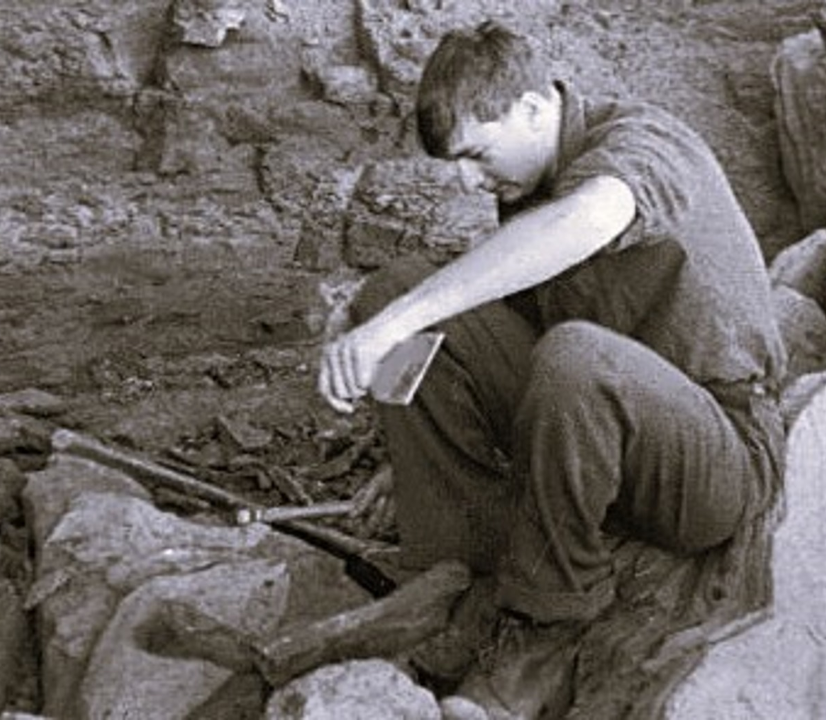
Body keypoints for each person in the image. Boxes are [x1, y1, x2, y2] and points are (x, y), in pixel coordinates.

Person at [319, 20, 787, 718]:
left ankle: (547, 630)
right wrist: (409, 446)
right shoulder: (525, 185)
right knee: (396, 289)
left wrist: (396, 325)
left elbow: (591, 218)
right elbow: (493, 331)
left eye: (477, 157)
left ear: (534, 109)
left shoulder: (646, 141)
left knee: (569, 351)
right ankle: (455, 573)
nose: (470, 181)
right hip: (596, 436)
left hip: (713, 458)